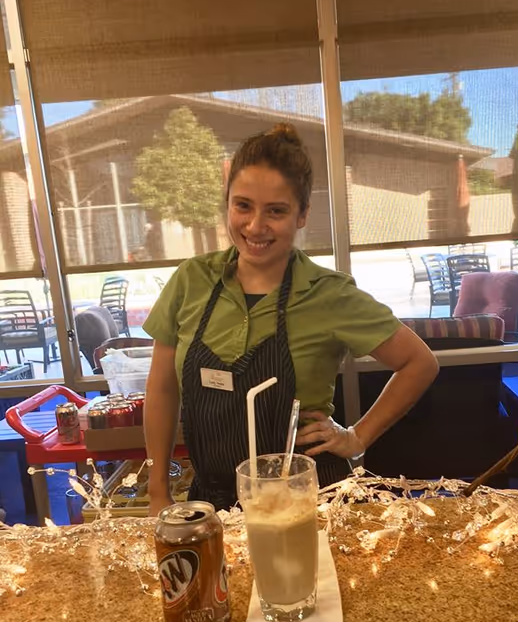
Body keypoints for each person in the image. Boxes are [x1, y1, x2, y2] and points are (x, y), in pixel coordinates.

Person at [143, 123, 439, 515]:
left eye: (276, 211)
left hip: (309, 504)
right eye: (242, 205)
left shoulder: (329, 294)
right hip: (213, 505)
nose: (254, 226)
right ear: (227, 202)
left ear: (302, 215)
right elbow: (163, 388)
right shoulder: (190, 281)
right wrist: (158, 489)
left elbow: (419, 362)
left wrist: (357, 437)